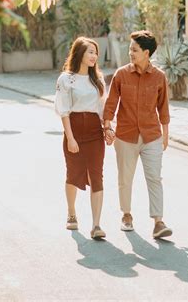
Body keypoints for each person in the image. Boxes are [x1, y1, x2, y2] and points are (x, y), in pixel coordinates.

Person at [103, 30, 172, 239]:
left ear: (146, 52)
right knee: (125, 178)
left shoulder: (159, 77)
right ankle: (126, 215)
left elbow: (164, 107)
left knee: (154, 178)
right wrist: (107, 126)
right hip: (125, 135)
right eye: (130, 49)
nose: (130, 53)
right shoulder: (121, 74)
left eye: (134, 49)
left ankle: (158, 222)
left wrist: (166, 134)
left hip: (152, 135)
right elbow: (111, 102)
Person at [55, 36, 107, 239]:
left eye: (96, 52)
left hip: (95, 132)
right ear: (80, 54)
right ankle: (71, 213)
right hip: (74, 129)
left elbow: (102, 108)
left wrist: (108, 127)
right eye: (90, 52)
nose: (94, 56)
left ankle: (96, 225)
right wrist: (70, 138)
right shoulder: (66, 79)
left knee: (97, 175)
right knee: (73, 173)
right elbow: (64, 110)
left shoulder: (98, 79)